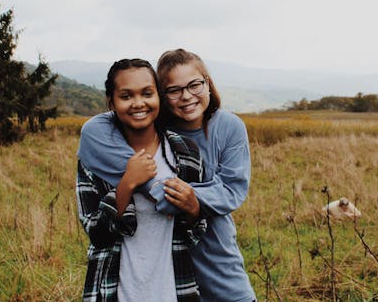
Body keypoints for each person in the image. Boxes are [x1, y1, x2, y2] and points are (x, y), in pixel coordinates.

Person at [79, 49, 255, 302]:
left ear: (208, 83)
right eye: (174, 90)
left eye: (195, 85)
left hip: (214, 255)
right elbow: (95, 129)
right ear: (163, 96)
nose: (186, 96)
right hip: (159, 271)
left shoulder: (218, 133)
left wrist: (185, 198)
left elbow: (231, 191)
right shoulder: (151, 131)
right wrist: (141, 183)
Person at [76, 58, 207, 302]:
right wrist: (127, 183)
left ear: (159, 97)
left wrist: (193, 209)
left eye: (147, 93)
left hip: (175, 290)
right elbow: (97, 235)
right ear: (111, 102)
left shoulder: (185, 153)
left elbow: (195, 233)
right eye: (126, 96)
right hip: (114, 291)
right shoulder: (94, 155)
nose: (139, 103)